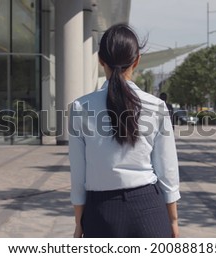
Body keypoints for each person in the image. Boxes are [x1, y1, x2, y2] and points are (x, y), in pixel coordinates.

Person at [68, 24, 180, 238]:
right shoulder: (156, 106)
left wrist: (78, 222)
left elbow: (78, 174)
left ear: (100, 60)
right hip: (149, 210)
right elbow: (167, 170)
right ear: (136, 61)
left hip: (100, 213)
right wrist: (173, 220)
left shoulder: (80, 107)